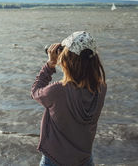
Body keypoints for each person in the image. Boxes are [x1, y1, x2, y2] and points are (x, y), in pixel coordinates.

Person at [31, 31, 107, 166]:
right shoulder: (101, 88)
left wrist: (50, 65)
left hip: (54, 160)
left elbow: (36, 92)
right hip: (84, 159)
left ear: (67, 60)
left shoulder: (57, 91)